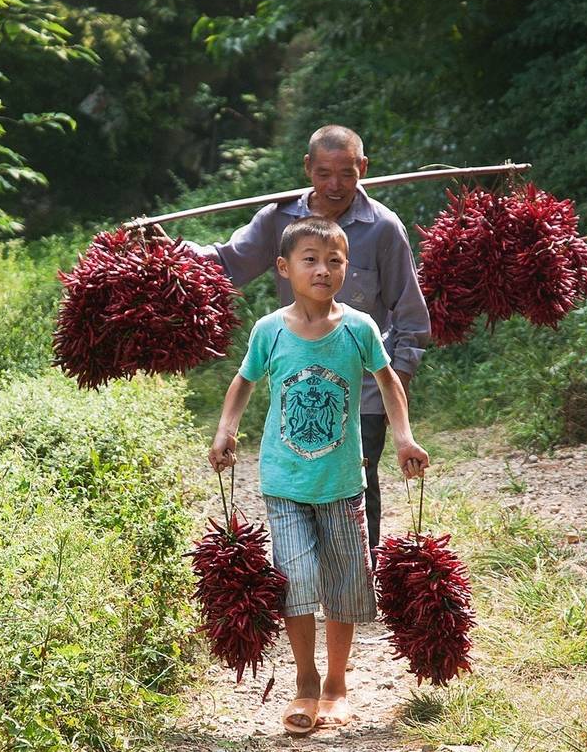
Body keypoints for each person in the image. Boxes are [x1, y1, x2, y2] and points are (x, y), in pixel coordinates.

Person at [155, 125, 431, 564]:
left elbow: (409, 312)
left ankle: (359, 572)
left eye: (346, 173)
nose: (335, 185)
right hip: (298, 381)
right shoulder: (279, 219)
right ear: (307, 168)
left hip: (362, 383)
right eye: (324, 173)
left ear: (364, 168)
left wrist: (398, 379)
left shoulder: (382, 227)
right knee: (303, 476)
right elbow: (226, 263)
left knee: (359, 479)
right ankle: (309, 572)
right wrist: (170, 253)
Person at [208, 216, 429, 734]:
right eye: (310, 259)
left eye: (334, 260)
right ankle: (305, 681)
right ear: (284, 268)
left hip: (342, 483)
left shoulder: (359, 328)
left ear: (346, 267)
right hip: (283, 484)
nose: (323, 269)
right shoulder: (269, 330)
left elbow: (388, 381)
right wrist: (225, 430)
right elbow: (242, 383)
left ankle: (336, 685)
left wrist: (403, 438)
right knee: (296, 580)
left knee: (346, 584)